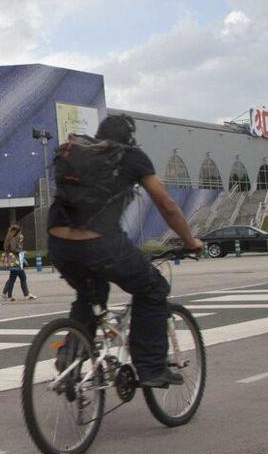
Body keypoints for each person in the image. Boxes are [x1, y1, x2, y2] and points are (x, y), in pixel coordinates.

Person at [47, 114, 203, 389]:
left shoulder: (78, 152)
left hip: (59, 244)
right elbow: (166, 204)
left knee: (91, 294)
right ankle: (152, 368)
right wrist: (190, 240)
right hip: (99, 245)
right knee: (153, 289)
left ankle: (70, 361)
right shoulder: (132, 156)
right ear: (130, 138)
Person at [0, 224, 36, 300]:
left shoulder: (10, 237)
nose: (19, 233)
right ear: (15, 231)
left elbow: (10, 248)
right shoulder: (13, 238)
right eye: (18, 231)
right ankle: (13, 296)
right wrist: (22, 250)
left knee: (14, 278)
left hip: (13, 259)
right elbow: (13, 249)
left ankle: (7, 294)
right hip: (15, 259)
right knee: (18, 278)